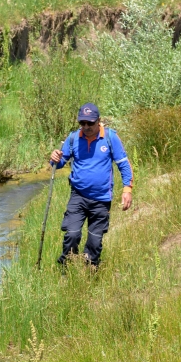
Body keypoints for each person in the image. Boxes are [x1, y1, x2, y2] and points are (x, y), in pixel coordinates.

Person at [49, 102, 133, 268]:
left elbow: (123, 164)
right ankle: (67, 268)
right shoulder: (73, 138)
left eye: (90, 123)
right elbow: (58, 164)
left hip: (101, 199)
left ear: (98, 121)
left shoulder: (110, 138)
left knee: (95, 241)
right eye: (82, 123)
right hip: (78, 196)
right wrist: (54, 159)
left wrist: (127, 189)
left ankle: (90, 270)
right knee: (72, 234)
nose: (86, 126)